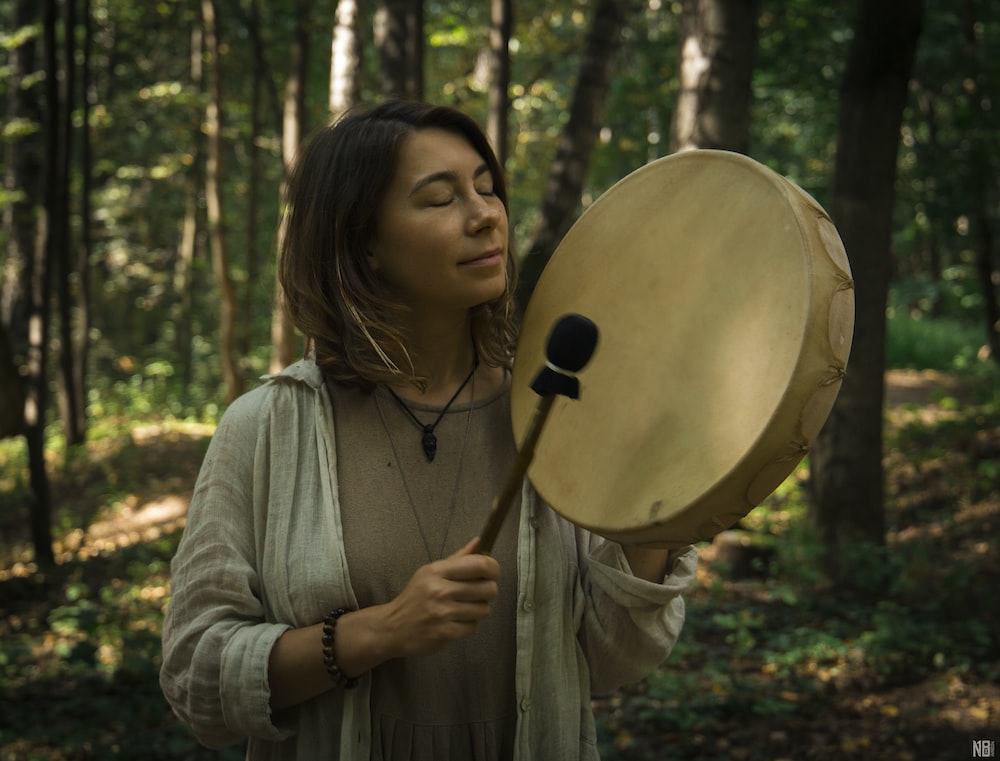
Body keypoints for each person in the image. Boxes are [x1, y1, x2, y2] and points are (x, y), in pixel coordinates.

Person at [159, 100, 697, 761]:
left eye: (485, 186)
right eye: (439, 199)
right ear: (365, 245)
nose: (485, 215)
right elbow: (195, 677)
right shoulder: (267, 428)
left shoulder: (554, 410)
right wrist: (379, 631)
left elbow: (614, 659)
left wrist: (655, 529)